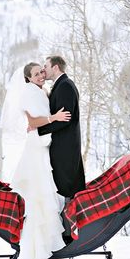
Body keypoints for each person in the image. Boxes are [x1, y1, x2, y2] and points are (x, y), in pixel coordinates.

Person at [0, 62, 71, 259]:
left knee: (44, 194)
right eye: (36, 74)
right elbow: (32, 121)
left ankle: (42, 247)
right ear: (28, 78)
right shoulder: (29, 93)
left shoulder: (41, 90)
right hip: (37, 148)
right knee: (39, 197)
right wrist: (54, 118)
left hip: (43, 144)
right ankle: (34, 252)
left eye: (42, 71)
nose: (41, 75)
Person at [27, 56, 85, 200]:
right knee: (63, 183)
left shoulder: (65, 85)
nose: (43, 71)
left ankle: (70, 216)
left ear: (55, 67)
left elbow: (65, 119)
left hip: (65, 146)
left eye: (45, 66)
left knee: (66, 184)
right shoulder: (61, 85)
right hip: (62, 143)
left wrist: (39, 129)